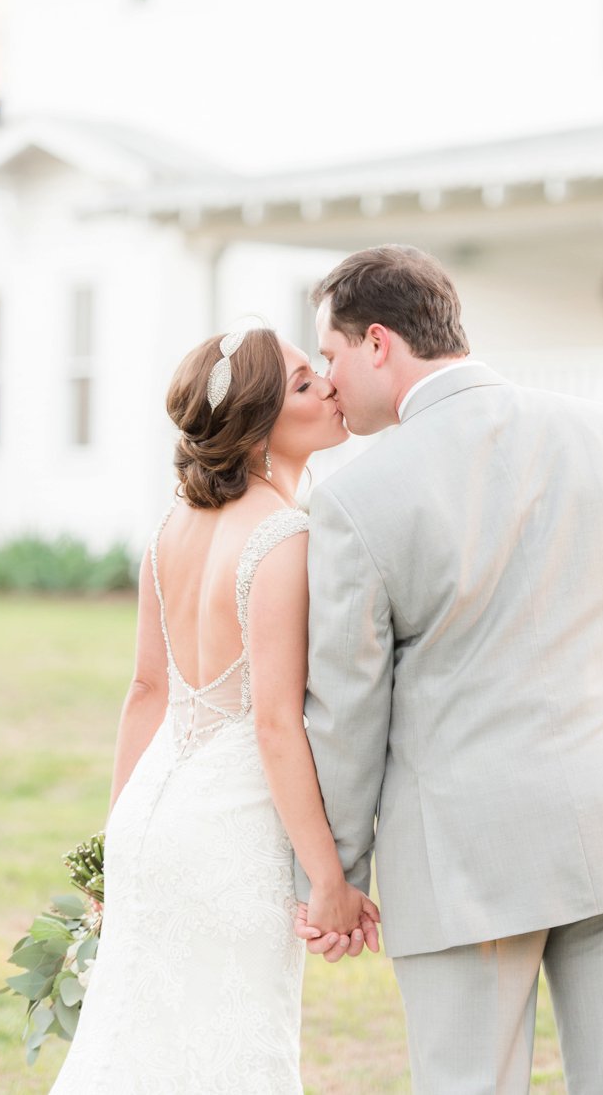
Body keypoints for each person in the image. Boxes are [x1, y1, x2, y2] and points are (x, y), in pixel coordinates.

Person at [295, 245, 603, 1095]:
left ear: (378, 342)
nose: (327, 379)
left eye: (331, 355)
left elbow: (346, 709)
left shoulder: (355, 496)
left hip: (464, 856)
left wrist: (337, 871)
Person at [50, 324, 379, 1095]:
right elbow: (273, 723)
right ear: (258, 422)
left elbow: (146, 692)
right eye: (304, 384)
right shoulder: (284, 536)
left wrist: (113, 847)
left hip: (149, 821)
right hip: (232, 834)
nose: (329, 386)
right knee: (235, 1049)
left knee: (141, 1042)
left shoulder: (170, 528)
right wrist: (327, 878)